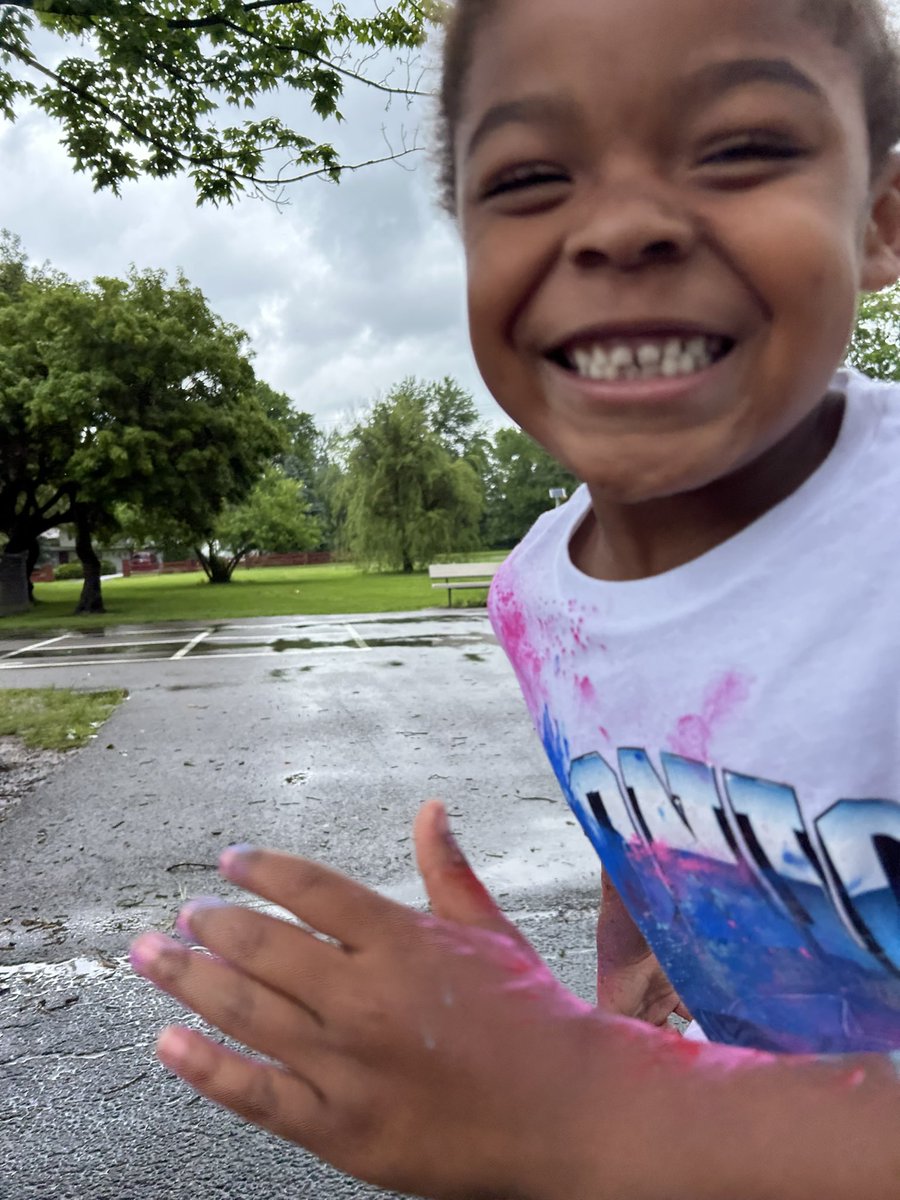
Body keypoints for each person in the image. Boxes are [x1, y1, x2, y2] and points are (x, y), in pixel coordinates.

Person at [130, 0, 900, 1195]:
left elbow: (606, 1120)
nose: (624, 224)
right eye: (532, 174)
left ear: (882, 219)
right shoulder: (539, 595)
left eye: (743, 147)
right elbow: (654, 830)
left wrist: (587, 1109)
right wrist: (620, 1024)